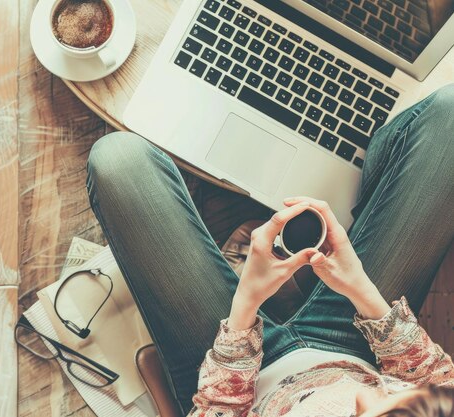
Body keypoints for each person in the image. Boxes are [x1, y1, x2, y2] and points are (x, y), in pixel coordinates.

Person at [85, 84, 454, 416]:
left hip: (241, 389)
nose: (364, 394)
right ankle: (368, 201)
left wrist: (245, 303)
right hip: (353, 345)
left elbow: (220, 409)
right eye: (389, 393)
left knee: (117, 160)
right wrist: (359, 285)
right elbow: (435, 381)